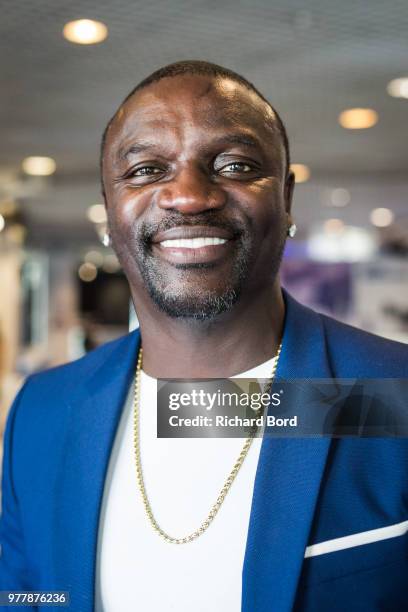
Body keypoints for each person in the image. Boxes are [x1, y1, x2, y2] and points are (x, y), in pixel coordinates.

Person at [0, 60, 407, 612]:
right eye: (145, 170)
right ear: (108, 210)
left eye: (235, 164)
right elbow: (26, 596)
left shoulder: (391, 396)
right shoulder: (45, 411)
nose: (189, 196)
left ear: (285, 198)